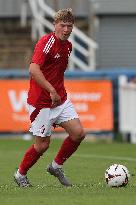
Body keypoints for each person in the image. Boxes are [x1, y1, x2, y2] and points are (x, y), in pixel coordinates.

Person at [14, 8, 85, 187]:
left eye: (70, 26)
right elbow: (33, 69)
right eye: (63, 25)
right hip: (41, 103)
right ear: (55, 25)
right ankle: (20, 174)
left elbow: (56, 71)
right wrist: (51, 90)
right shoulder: (46, 42)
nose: (66, 29)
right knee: (42, 145)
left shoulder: (68, 46)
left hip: (60, 99)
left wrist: (57, 92)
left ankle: (56, 166)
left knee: (78, 134)